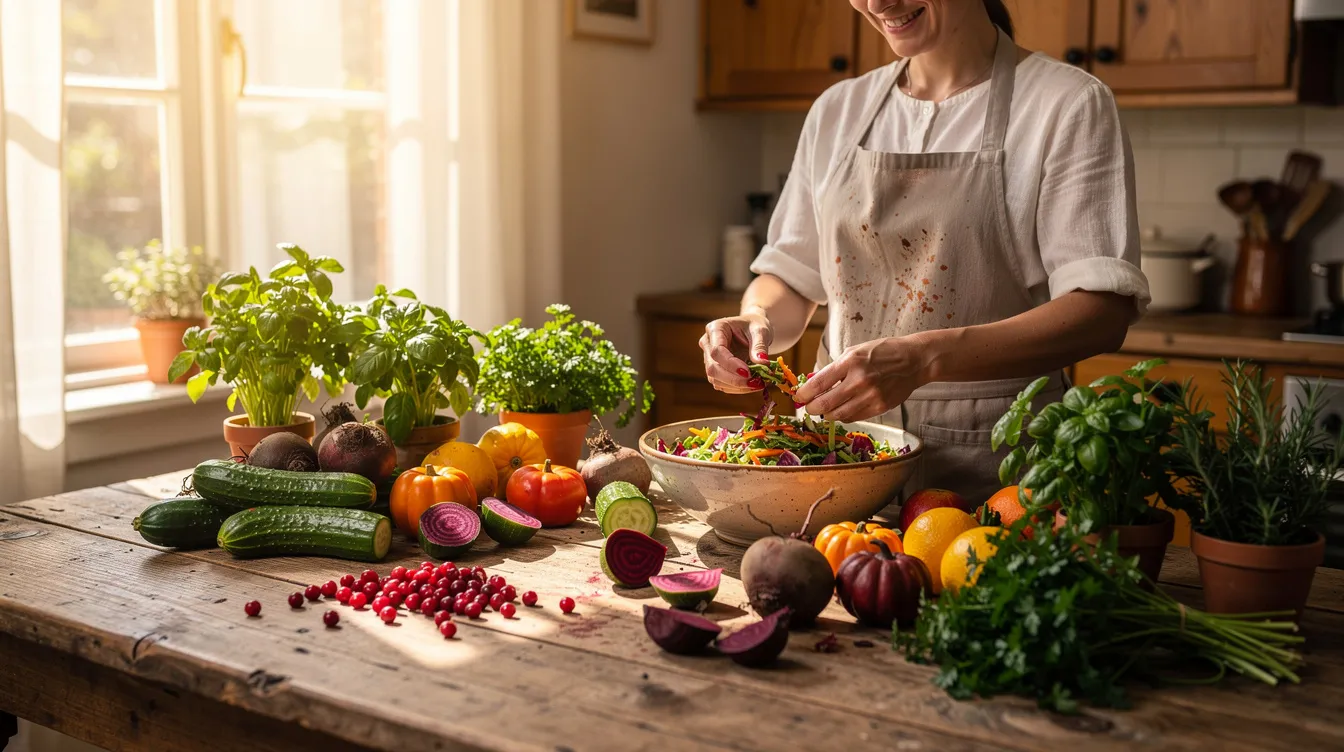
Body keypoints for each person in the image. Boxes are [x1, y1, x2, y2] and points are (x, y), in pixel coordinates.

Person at [699, 0, 1150, 503]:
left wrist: (922, 359)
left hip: (997, 469)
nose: (876, 3)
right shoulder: (838, 110)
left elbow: (1102, 312)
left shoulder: (1068, 104)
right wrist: (755, 321)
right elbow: (791, 278)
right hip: (839, 461)